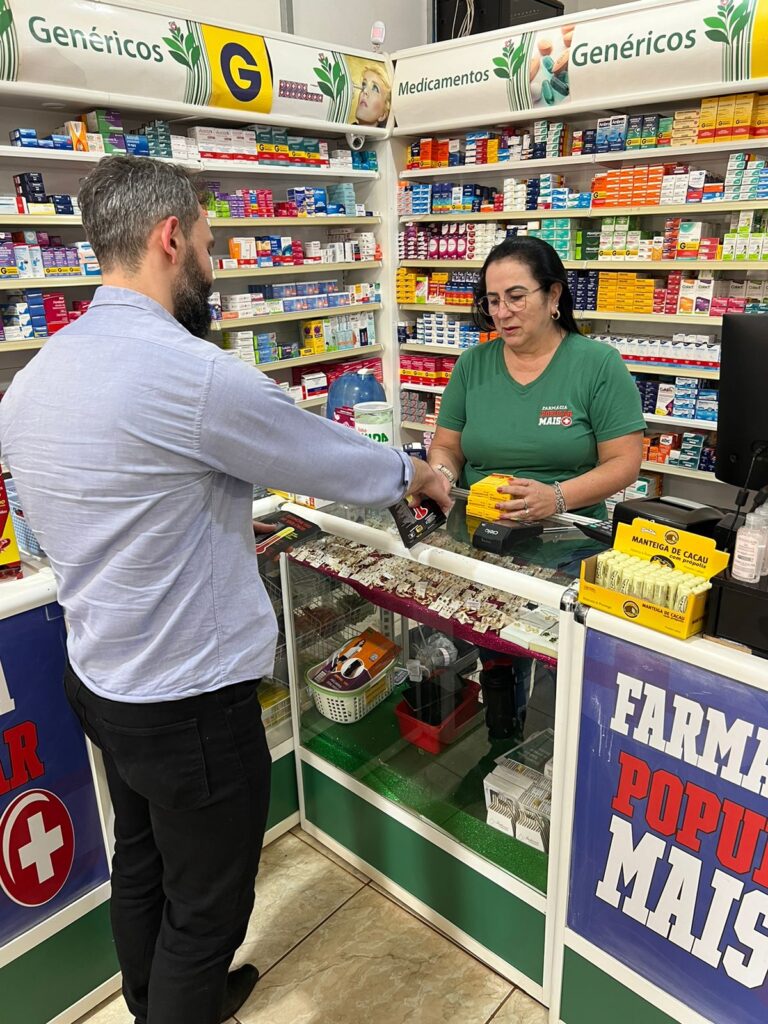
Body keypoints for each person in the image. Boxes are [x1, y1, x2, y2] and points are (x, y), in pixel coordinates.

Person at [0, 156, 450, 1024]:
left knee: (145, 864)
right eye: (210, 242)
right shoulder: (189, 372)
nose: (214, 259)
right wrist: (411, 472)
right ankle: (186, 997)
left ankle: (167, 1002)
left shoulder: (34, 378)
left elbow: (67, 528)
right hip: (189, 703)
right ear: (172, 239)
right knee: (207, 909)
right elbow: (320, 452)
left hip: (99, 679)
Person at [427, 235, 645, 738]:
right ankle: (503, 740)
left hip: (566, 544)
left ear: (554, 296)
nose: (502, 312)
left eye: (517, 296)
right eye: (492, 299)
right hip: (481, 537)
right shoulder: (472, 365)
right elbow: (448, 448)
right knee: (496, 651)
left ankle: (567, 750)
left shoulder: (597, 364)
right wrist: (441, 476)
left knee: (563, 663)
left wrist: (558, 496)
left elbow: (625, 463)